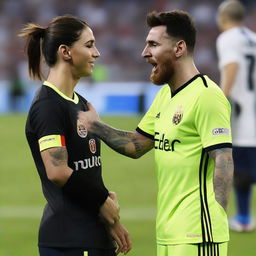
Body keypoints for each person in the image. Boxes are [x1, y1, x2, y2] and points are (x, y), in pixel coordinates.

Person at [78, 10, 234, 256]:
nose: (144, 52)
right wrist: (96, 126)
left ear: (179, 48)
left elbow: (223, 158)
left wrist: (215, 221)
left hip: (199, 234)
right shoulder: (165, 96)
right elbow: (136, 145)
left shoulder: (207, 95)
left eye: (153, 44)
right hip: (168, 232)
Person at [19, 15, 131, 256]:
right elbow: (58, 172)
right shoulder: (48, 106)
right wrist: (103, 200)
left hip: (92, 235)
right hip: (69, 240)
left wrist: (109, 219)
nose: (97, 53)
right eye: (89, 45)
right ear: (65, 52)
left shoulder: (80, 104)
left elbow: (86, 170)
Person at [216, 0, 256, 232]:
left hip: (243, 115)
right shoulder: (252, 38)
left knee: (241, 171)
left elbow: (232, 66)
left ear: (223, 18)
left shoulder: (228, 38)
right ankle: (243, 217)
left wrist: (221, 99)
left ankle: (242, 218)